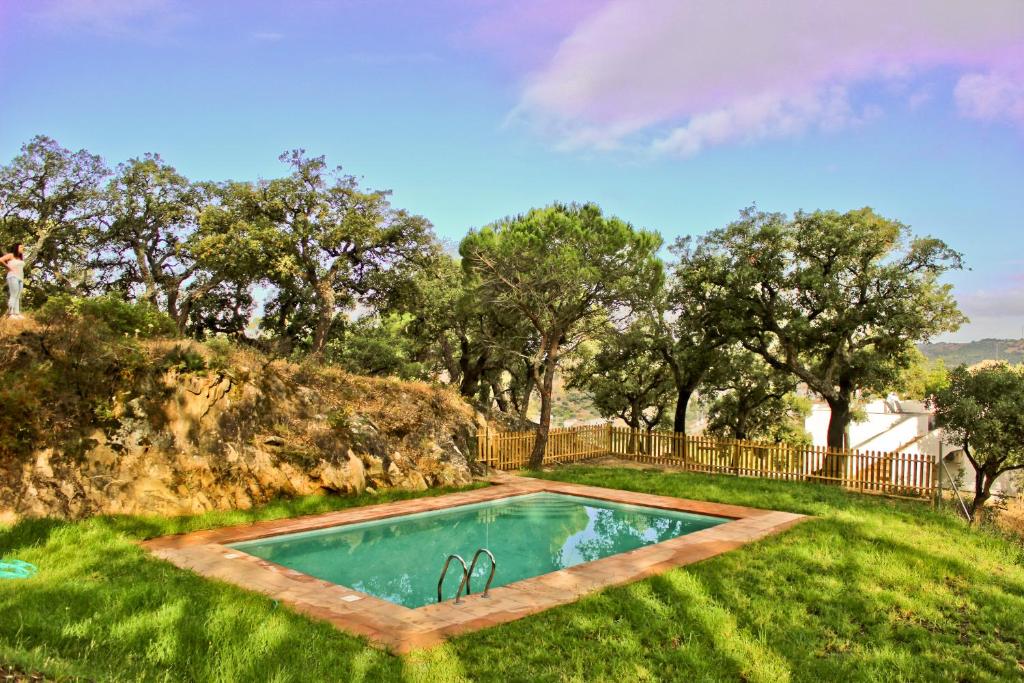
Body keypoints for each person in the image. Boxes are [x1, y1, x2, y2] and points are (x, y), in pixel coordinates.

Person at [1, 243, 25, 318]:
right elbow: (1, 260)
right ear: (16, 248)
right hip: (12, 276)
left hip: (20, 277)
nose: (22, 249)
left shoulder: (21, 257)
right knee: (13, 294)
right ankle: (10, 313)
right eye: (21, 247)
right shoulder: (10, 255)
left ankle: (17, 313)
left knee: (18, 295)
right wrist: (9, 268)